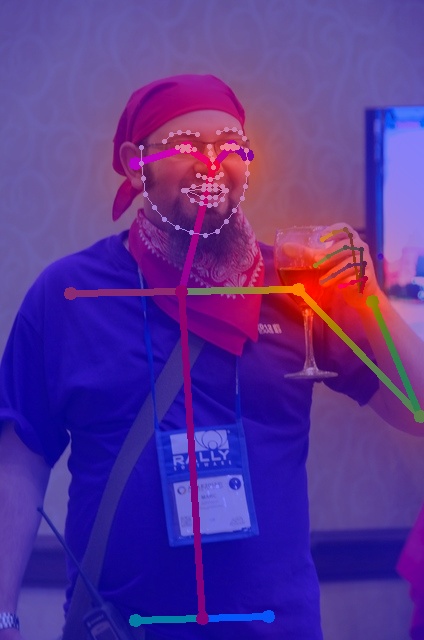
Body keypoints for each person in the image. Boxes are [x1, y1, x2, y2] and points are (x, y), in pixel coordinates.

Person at [0, 74, 423, 640]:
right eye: (186, 146)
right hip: (120, 629)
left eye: (230, 145)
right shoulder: (70, 294)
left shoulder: (295, 288)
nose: (212, 163)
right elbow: (19, 462)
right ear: (135, 165)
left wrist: (369, 297)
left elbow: (417, 410)